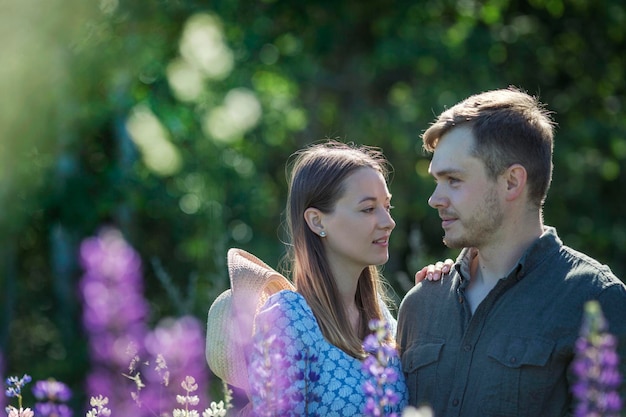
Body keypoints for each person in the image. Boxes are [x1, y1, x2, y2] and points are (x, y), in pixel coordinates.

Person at [396, 87, 626, 416]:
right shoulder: (420, 305)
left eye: (454, 180)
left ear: (512, 182)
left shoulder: (597, 300)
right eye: (437, 180)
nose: (435, 199)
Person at [207, 140, 414, 416]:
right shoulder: (289, 317)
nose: (388, 222)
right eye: (368, 209)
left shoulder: (379, 317)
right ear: (317, 221)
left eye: (387, 207)